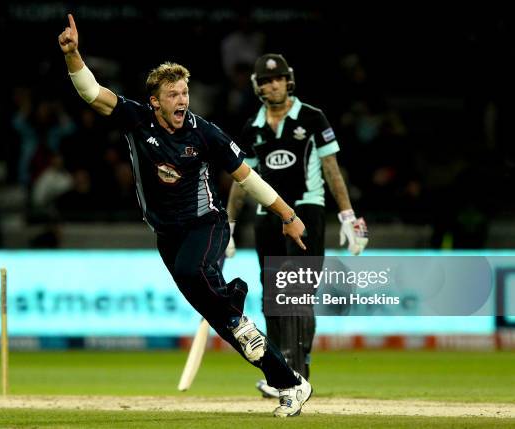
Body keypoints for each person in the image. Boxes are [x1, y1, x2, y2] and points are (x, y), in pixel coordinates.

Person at [58, 15, 312, 417]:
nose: (182, 100)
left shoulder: (205, 133)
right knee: (231, 327)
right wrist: (73, 54)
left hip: (205, 225)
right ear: (155, 101)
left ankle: (234, 295)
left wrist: (287, 214)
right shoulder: (136, 119)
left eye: (185, 92)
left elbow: (248, 178)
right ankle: (290, 383)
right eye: (173, 94)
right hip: (167, 236)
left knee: (197, 273)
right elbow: (92, 92)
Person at [226, 53, 369, 398]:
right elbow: (241, 179)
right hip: (268, 216)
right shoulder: (254, 127)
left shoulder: (312, 118)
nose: (272, 85)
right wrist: (229, 223)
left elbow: (332, 169)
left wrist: (348, 216)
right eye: (265, 81)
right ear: (257, 87)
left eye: (277, 79)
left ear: (288, 80)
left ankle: (296, 373)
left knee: (297, 293)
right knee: (273, 298)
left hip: (308, 211)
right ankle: (279, 373)